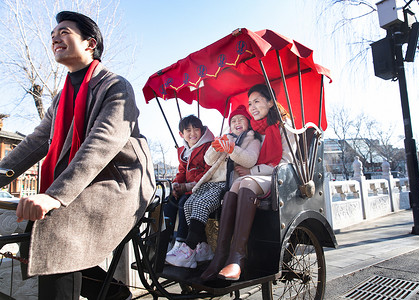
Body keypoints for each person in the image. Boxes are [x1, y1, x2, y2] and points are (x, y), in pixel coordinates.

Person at [0, 11, 155, 300]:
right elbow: (36, 142)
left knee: (55, 222)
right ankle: (113, 294)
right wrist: (0, 175)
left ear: (90, 43)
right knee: (41, 228)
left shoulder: (115, 86)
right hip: (85, 182)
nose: (55, 37)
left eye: (64, 32)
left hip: (120, 183)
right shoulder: (61, 97)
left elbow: (101, 144)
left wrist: (54, 196)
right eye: (52, 35)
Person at [201, 84, 295, 281]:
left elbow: (286, 163)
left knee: (245, 182)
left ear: (270, 102)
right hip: (255, 178)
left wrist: (253, 171)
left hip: (278, 177)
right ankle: (220, 255)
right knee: (236, 185)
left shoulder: (284, 126)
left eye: (257, 101)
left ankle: (237, 258)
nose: (252, 107)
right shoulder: (255, 130)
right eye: (250, 103)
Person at [166, 105, 261, 268]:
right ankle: (203, 247)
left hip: (228, 184)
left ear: (249, 123)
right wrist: (216, 147)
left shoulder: (252, 139)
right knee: (188, 205)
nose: (236, 123)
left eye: (241, 120)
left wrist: (232, 149)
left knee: (202, 204)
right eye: (233, 121)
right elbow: (209, 160)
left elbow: (250, 160)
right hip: (210, 181)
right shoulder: (227, 137)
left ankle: (188, 248)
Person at [164, 115, 214, 258]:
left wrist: (187, 187)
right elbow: (181, 172)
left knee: (183, 202)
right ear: (182, 134)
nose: (192, 134)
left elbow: (208, 172)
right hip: (187, 188)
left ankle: (181, 242)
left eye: (196, 129)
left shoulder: (209, 146)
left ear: (202, 130)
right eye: (188, 130)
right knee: (169, 202)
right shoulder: (183, 151)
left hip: (202, 187)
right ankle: (167, 240)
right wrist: (176, 185)